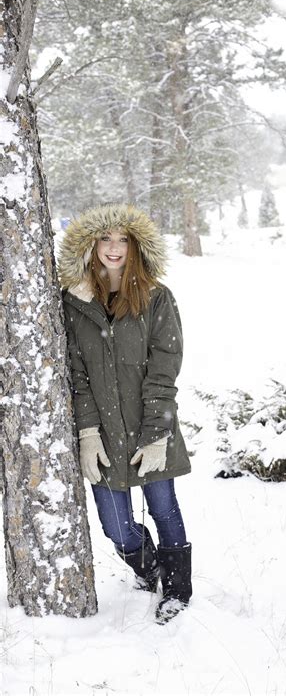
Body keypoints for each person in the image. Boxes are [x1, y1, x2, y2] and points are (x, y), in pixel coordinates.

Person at [59, 203, 192, 624]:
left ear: (135, 246)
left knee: (164, 508)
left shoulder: (157, 298)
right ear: (91, 245)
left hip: (149, 425)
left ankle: (177, 589)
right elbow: (76, 373)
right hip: (103, 431)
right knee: (116, 525)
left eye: (122, 240)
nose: (113, 248)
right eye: (105, 239)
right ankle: (147, 566)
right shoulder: (75, 302)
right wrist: (87, 431)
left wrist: (157, 433)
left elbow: (164, 366)